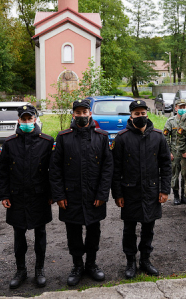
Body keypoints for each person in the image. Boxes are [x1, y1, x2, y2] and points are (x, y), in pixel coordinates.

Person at [50, 99, 114, 287]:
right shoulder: (63, 137)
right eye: (77, 112)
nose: (81, 115)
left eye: (84, 112)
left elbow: (107, 168)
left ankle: (91, 264)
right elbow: (55, 169)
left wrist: (102, 194)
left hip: (94, 195)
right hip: (71, 196)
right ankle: (77, 265)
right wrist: (59, 195)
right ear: (73, 115)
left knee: (94, 231)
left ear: (90, 113)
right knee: (73, 232)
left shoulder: (101, 137)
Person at [0, 105, 54, 289]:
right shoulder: (9, 142)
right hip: (17, 196)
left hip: (39, 196)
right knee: (19, 235)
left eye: (30, 119)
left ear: (35, 119)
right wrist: (4, 194)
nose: (27, 122)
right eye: (24, 119)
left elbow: (53, 172)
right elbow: (2, 171)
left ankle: (39, 269)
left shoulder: (47, 141)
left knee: (40, 234)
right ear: (19, 120)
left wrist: (52, 194)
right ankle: (20, 270)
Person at [111, 100, 171, 279]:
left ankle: (145, 260)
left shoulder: (158, 137)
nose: (140, 116)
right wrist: (117, 194)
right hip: (130, 192)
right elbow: (116, 169)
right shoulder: (122, 138)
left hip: (152, 191)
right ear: (131, 116)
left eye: (143, 113)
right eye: (136, 114)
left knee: (148, 228)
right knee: (129, 229)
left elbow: (166, 165)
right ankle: (130, 261)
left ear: (147, 114)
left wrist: (165, 190)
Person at [163, 99, 186, 205]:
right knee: (175, 175)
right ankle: (176, 195)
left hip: (185, 152)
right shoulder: (171, 121)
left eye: (184, 107)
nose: (182, 109)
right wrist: (169, 152)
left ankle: (184, 195)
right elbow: (165, 137)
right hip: (175, 152)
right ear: (176, 108)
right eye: (180, 107)